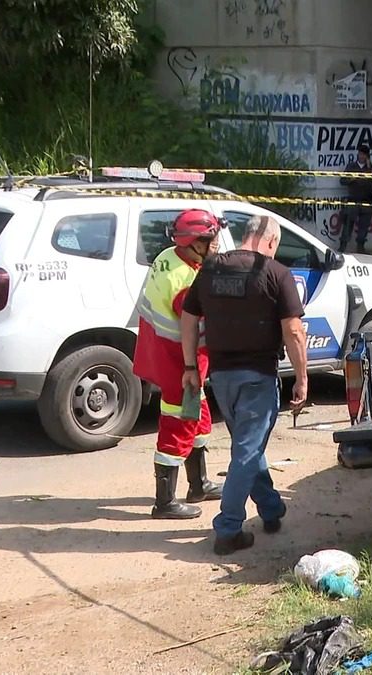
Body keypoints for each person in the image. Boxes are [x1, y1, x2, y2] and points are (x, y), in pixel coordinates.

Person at [179, 214, 309, 554]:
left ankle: (270, 509)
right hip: (258, 377)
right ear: (270, 241)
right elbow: (294, 331)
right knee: (247, 452)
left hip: (221, 378)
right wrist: (302, 378)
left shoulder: (210, 269)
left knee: (249, 449)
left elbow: (188, 317)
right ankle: (228, 528)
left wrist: (191, 365)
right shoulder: (276, 273)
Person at [133, 209, 224, 519]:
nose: (217, 245)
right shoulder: (185, 281)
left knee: (198, 419)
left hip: (164, 354)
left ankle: (198, 484)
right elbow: (194, 324)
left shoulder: (168, 256)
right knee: (177, 425)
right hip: (179, 363)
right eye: (211, 240)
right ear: (194, 243)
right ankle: (164, 503)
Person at [337, 143, 372, 254]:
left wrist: (369, 168)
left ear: (367, 156)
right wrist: (352, 179)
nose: (361, 156)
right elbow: (342, 181)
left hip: (367, 201)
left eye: (364, 154)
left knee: (364, 227)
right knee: (348, 225)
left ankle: (360, 249)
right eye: (360, 154)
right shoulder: (351, 166)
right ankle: (342, 247)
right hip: (353, 200)